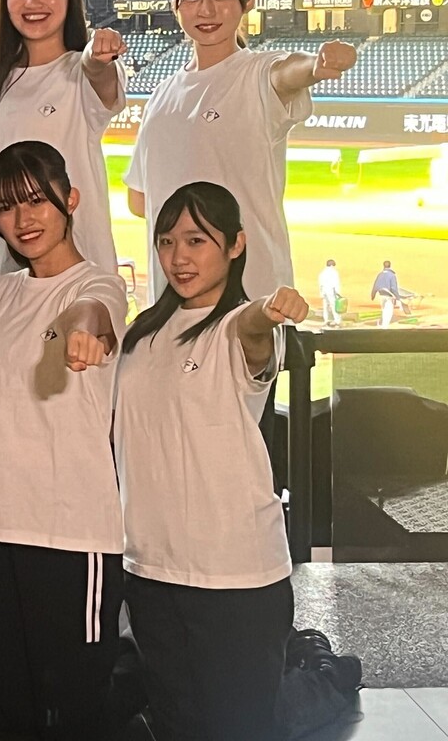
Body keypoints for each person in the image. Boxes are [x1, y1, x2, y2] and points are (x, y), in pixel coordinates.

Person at [115, 181, 309, 741]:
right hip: (151, 570)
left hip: (236, 577)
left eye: (197, 240)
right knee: (176, 724)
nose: (179, 257)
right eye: (167, 241)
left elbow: (251, 327)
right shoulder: (141, 336)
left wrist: (269, 309)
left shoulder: (236, 328)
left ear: (235, 245)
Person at [0, 140, 127, 739]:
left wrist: (84, 335)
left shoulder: (98, 285)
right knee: (16, 699)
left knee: (76, 705)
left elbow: (94, 314)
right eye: (7, 206)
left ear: (71, 199)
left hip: (72, 532)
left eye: (36, 200)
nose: (23, 219)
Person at [124, 0, 356, 303]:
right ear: (175, 4)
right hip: (173, 311)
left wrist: (316, 65)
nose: (206, 9)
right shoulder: (162, 94)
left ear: (248, 0)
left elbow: (288, 71)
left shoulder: (257, 74)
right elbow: (139, 200)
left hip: (253, 305)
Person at [0, 0, 126, 280]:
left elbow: (100, 75)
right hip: (3, 292)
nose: (32, 1)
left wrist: (97, 57)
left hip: (83, 289)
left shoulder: (81, 74)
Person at [371, 260, 405, 327]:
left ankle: (383, 325)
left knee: (384, 310)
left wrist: (373, 294)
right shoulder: (392, 275)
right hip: (389, 296)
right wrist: (398, 298)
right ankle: (384, 326)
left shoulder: (380, 274)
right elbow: (393, 288)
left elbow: (375, 285)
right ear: (390, 266)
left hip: (382, 296)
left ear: (383, 266)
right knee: (389, 312)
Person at [318, 258, 342, 327]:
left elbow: (320, 284)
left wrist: (321, 293)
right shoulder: (334, 272)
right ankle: (337, 320)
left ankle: (326, 320)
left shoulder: (322, 273)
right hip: (331, 291)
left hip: (324, 291)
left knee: (325, 306)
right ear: (332, 265)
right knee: (334, 306)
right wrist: (338, 293)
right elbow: (336, 283)